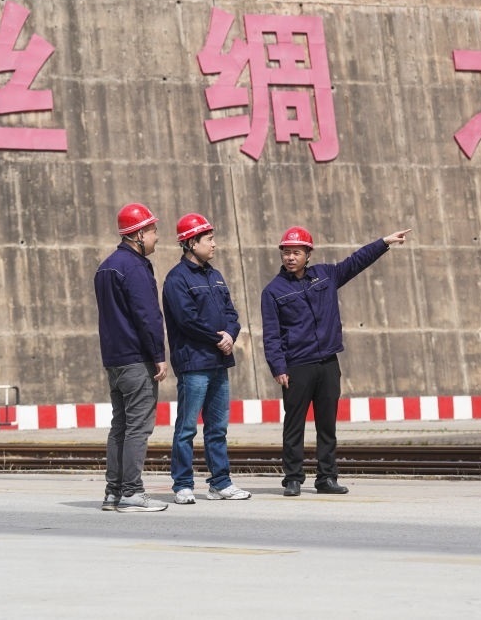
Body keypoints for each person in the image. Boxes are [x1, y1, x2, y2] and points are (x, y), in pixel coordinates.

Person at [261, 225, 412, 496]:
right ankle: (293, 478)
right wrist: (278, 366)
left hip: (328, 363)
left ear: (308, 254)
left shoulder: (326, 275)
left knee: (327, 424)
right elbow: (271, 334)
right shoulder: (273, 291)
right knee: (294, 424)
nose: (290, 257)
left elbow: (356, 262)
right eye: (286, 252)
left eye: (296, 252)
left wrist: (384, 243)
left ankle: (327, 478)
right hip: (297, 365)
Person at [163, 213, 250, 504]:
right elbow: (187, 320)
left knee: (217, 428)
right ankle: (182, 484)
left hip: (218, 362)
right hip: (194, 364)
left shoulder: (216, 276)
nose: (214, 244)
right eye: (208, 239)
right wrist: (218, 338)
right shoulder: (177, 279)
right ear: (191, 243)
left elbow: (231, 314)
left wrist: (230, 335)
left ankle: (220, 483)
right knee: (187, 428)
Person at [94, 202, 169, 513]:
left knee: (120, 427)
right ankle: (132, 493)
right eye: (152, 231)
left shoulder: (106, 267)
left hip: (114, 360)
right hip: (137, 359)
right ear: (138, 234)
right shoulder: (135, 267)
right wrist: (158, 355)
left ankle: (113, 493)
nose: (156, 236)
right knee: (138, 427)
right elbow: (147, 315)